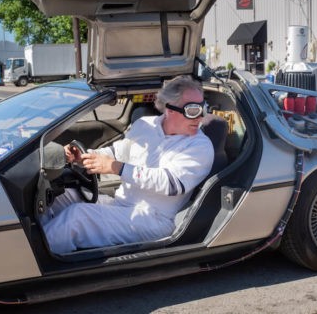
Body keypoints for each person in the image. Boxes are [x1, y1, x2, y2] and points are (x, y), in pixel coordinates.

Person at [43, 76, 214, 254]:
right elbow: (118, 152)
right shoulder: (144, 125)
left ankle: (33, 265)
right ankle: (40, 243)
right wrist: (85, 156)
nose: (201, 117)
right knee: (57, 197)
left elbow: (171, 184)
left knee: (77, 217)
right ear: (170, 109)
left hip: (153, 219)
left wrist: (117, 167)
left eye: (204, 108)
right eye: (193, 110)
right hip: (121, 204)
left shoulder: (199, 146)